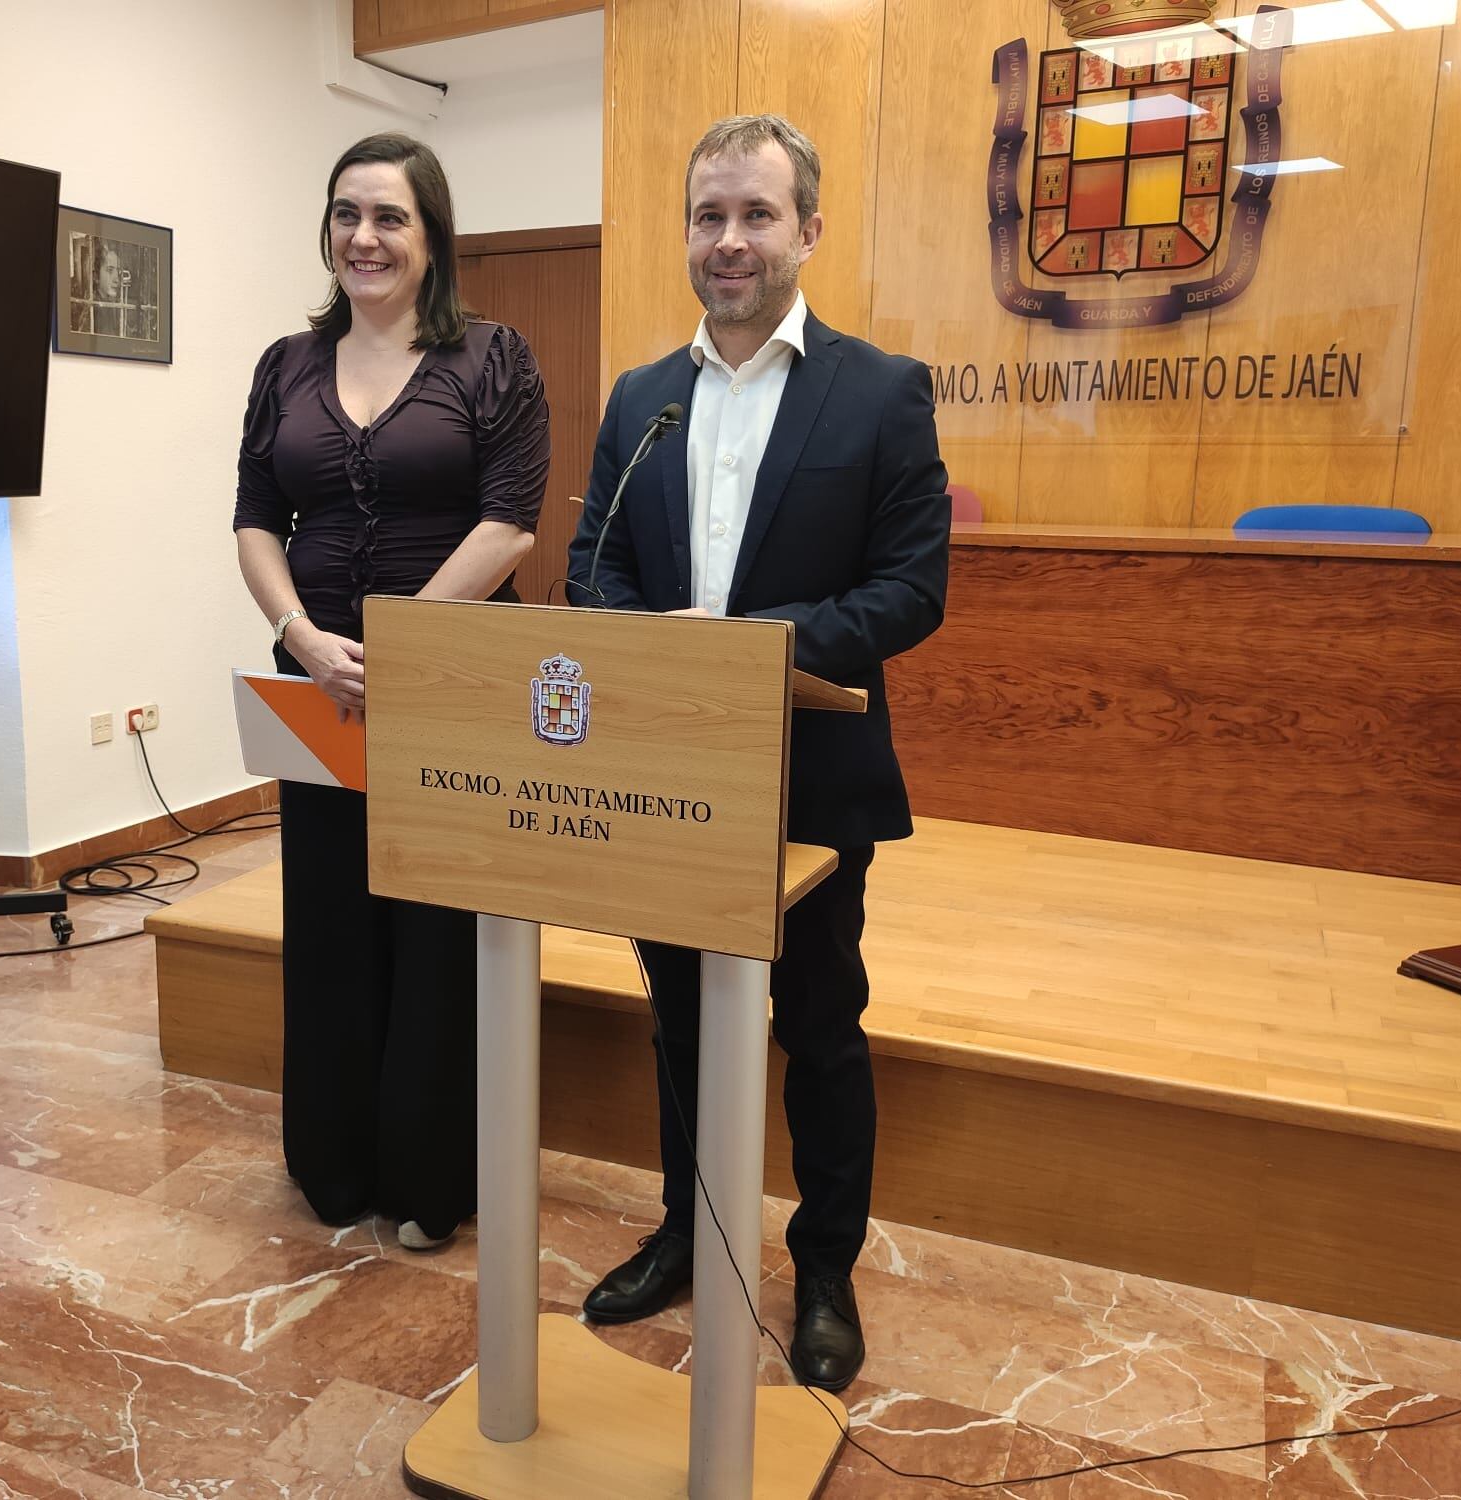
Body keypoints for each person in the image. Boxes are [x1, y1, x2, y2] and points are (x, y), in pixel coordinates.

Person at [566, 114, 949, 1389]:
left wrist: (739, 645)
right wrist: (657, 650)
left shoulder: (880, 389)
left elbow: (909, 591)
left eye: (755, 216)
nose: (728, 241)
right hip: (665, 775)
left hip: (810, 776)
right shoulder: (641, 399)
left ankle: (824, 1266)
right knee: (677, 1018)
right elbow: (594, 569)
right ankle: (687, 1227)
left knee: (818, 1023)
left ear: (808, 231)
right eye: (707, 216)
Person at [234, 133, 548, 1251]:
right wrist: (299, 634)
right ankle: (335, 1161)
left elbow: (510, 521)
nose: (362, 238)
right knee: (327, 909)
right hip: (317, 678)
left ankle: (427, 1173)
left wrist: (405, 644)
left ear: (432, 237)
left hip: (452, 679)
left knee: (438, 924)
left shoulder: (494, 359)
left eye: (389, 218)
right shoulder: (283, 364)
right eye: (345, 215)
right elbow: (255, 520)